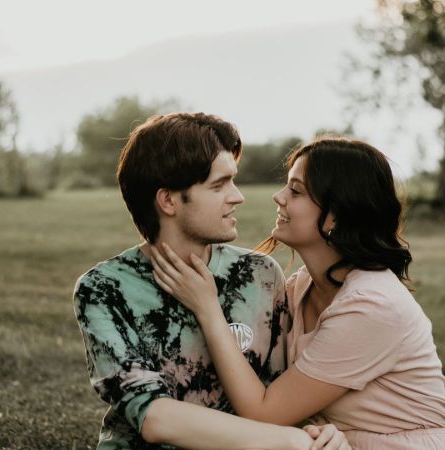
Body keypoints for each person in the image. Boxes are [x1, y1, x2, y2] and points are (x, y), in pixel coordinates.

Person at [73, 113, 349, 450]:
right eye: (219, 185)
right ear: (168, 200)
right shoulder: (104, 289)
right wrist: (290, 441)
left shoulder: (259, 274)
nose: (237, 196)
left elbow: (278, 397)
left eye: (233, 181)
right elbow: (154, 417)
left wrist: (317, 431)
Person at [152, 137, 445, 449]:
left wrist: (207, 308)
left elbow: (264, 412)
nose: (279, 197)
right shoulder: (302, 285)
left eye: (296, 190)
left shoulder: (371, 306)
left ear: (335, 216)